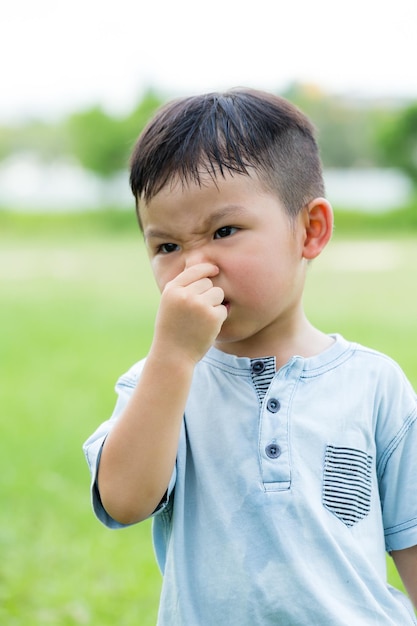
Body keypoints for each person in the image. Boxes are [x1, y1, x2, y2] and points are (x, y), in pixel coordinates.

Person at [83, 88, 417, 625]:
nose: (196, 267)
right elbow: (123, 501)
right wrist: (172, 358)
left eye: (224, 231)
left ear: (310, 231)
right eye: (166, 246)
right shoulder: (160, 383)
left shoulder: (375, 384)